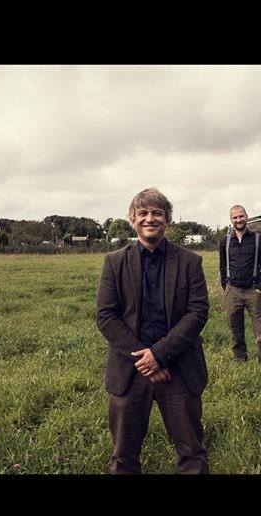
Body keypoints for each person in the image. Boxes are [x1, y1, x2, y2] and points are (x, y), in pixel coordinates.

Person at [95, 187, 210, 474]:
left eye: (157, 213)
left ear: (168, 220)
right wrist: (145, 359)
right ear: (132, 220)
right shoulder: (115, 262)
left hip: (179, 367)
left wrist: (159, 355)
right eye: (143, 213)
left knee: (192, 454)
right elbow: (106, 316)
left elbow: (198, 313)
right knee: (123, 457)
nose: (150, 219)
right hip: (129, 371)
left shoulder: (190, 262)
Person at [219, 204, 261, 362]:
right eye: (235, 217)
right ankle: (240, 359)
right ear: (231, 220)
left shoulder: (257, 239)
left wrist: (259, 288)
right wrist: (226, 286)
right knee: (235, 328)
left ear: (246, 217)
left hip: (252, 290)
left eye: (241, 216)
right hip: (232, 290)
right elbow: (222, 266)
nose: (238, 219)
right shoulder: (225, 241)